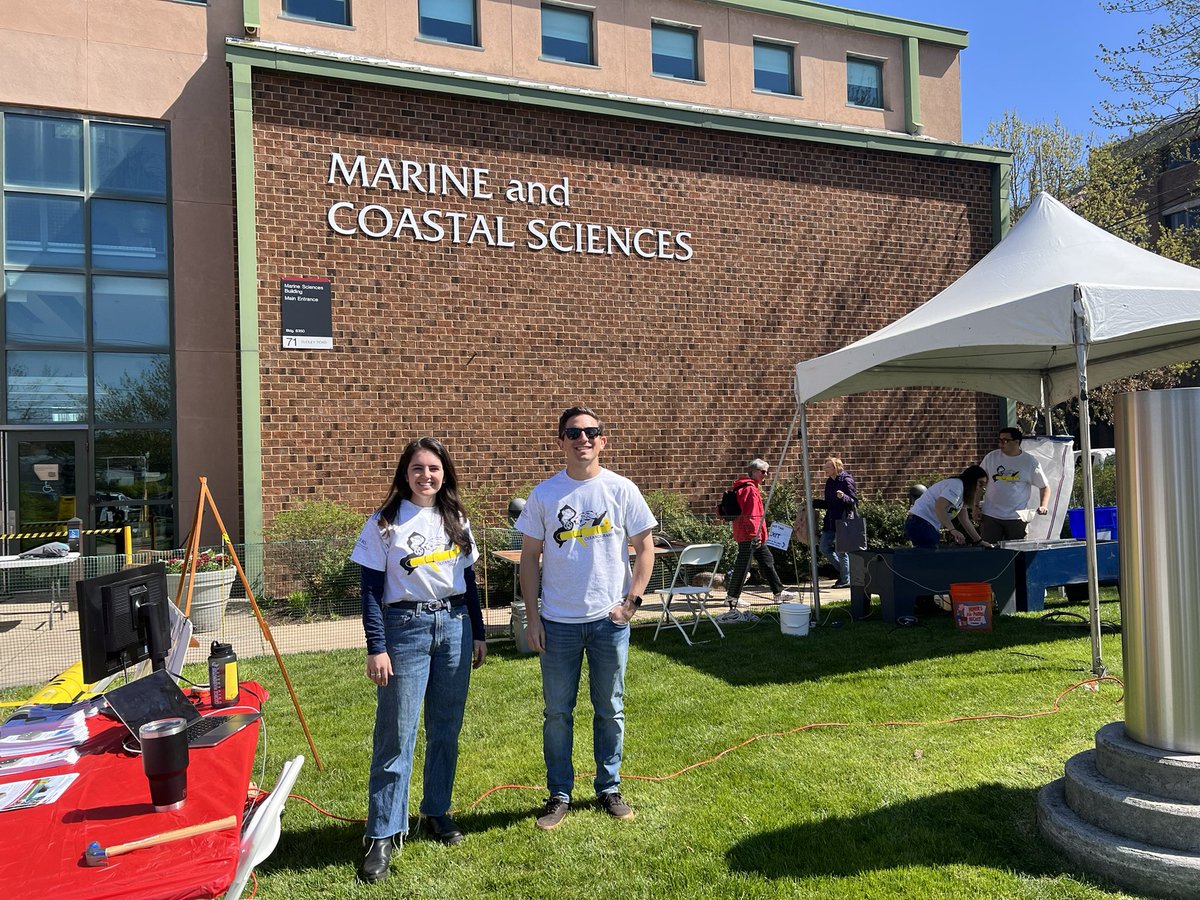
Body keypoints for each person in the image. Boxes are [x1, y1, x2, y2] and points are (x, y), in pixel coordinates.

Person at [350, 437, 487, 884]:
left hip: (454, 628)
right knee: (396, 734)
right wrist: (376, 646)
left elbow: (468, 580)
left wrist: (479, 633)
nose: (426, 476)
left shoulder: (456, 519)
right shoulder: (385, 523)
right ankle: (383, 833)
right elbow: (370, 591)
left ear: (444, 472)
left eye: (434, 468)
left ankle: (437, 810)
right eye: (417, 468)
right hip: (404, 630)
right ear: (404, 474)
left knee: (446, 728)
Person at [515, 406, 657, 831]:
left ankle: (608, 787)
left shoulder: (621, 489)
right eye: (574, 433)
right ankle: (559, 794)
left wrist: (631, 603)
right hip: (557, 623)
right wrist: (534, 618)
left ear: (603, 440)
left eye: (592, 432)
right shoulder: (544, 495)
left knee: (609, 709)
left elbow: (645, 547)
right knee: (557, 712)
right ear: (561, 441)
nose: (584, 439)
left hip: (607, 622)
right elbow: (528, 559)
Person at [726, 459, 797, 609]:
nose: (766, 474)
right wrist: (755, 535)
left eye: (767, 471)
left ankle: (778, 592)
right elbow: (751, 515)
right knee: (743, 565)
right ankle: (732, 598)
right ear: (753, 472)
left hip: (751, 534)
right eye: (763, 471)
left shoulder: (747, 487)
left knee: (767, 560)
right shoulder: (750, 489)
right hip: (750, 535)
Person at [977, 427, 1050, 542]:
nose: (1001, 444)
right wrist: (975, 507)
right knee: (990, 553)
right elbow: (979, 484)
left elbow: (1044, 486)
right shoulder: (991, 457)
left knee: (1017, 553)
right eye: (999, 440)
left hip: (1017, 517)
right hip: (991, 515)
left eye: (1005, 440)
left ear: (1017, 442)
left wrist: (1043, 505)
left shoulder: (1029, 462)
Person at [904, 464, 989, 549]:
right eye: (980, 483)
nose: (981, 488)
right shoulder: (957, 486)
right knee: (930, 558)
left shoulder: (962, 494)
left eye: (984, 485)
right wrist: (952, 530)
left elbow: (965, 519)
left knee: (927, 558)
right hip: (921, 522)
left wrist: (979, 541)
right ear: (971, 480)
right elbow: (939, 507)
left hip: (923, 524)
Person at [809, 456, 858, 588]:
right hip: (830, 520)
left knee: (842, 551)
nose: (825, 469)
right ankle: (844, 573)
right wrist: (814, 503)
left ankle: (845, 579)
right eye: (825, 467)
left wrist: (843, 497)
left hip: (843, 519)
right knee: (824, 547)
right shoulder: (829, 482)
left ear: (836, 468)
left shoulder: (846, 481)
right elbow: (829, 504)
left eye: (828, 467)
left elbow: (853, 501)